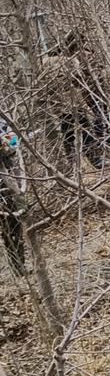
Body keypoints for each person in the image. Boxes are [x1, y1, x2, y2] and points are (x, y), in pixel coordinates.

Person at [40, 32, 109, 170]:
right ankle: (94, 159)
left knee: (68, 133)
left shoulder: (44, 63)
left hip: (58, 105)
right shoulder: (70, 61)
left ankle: (71, 163)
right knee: (85, 129)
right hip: (73, 102)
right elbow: (80, 79)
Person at [0, 117, 25, 276]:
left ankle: (18, 266)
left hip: (4, 181)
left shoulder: (1, 121)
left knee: (12, 224)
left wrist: (5, 143)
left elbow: (14, 141)